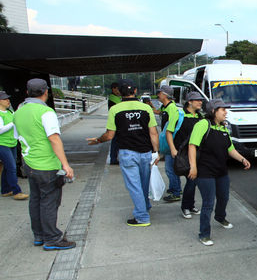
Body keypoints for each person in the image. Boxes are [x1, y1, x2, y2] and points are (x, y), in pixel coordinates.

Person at [87, 79, 159, 226]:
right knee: (144, 183)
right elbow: (153, 133)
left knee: (134, 186)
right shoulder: (146, 108)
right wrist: (156, 152)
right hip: (146, 152)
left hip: (128, 153)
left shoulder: (115, 109)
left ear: (119, 92)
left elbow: (109, 135)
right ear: (135, 91)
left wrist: (98, 140)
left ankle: (142, 217)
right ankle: (145, 207)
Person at [13, 79, 75, 250]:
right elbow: (54, 138)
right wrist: (65, 165)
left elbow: (16, 137)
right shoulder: (45, 112)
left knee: (35, 199)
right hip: (47, 165)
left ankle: (39, 235)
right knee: (49, 201)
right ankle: (52, 238)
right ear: (46, 92)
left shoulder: (18, 111)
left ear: (27, 92)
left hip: (29, 163)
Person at [188, 99, 251, 246]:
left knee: (224, 198)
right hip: (205, 172)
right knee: (208, 203)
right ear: (213, 111)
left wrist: (242, 159)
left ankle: (220, 217)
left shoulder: (223, 128)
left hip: (221, 171)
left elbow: (230, 149)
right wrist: (193, 167)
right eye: (222, 109)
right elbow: (192, 146)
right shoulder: (203, 124)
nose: (225, 112)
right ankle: (204, 234)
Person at [177, 91, 204, 219]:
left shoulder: (200, 117)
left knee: (194, 180)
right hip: (184, 154)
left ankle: (190, 205)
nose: (200, 102)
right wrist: (172, 150)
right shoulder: (180, 115)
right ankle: (185, 207)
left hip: (197, 154)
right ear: (189, 102)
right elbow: (169, 132)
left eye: (201, 100)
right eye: (197, 100)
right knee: (191, 180)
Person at [0, 90, 28, 200]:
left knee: (8, 168)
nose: (8, 101)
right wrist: (13, 123)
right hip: (2, 144)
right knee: (12, 167)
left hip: (12, 143)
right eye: (5, 99)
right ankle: (17, 191)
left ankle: (5, 190)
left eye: (8, 99)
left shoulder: (10, 112)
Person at [157, 85, 182, 202]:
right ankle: (174, 188)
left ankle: (176, 192)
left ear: (165, 95)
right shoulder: (165, 107)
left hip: (170, 142)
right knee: (171, 167)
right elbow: (160, 113)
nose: (158, 95)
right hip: (167, 141)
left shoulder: (172, 108)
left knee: (170, 169)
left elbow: (173, 127)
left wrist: (171, 145)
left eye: (160, 93)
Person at [107, 82, 121, 165]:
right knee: (115, 141)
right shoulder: (113, 98)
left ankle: (114, 158)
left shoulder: (115, 97)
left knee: (115, 141)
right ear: (114, 89)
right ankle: (113, 159)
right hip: (116, 123)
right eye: (118, 89)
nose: (119, 91)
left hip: (115, 122)